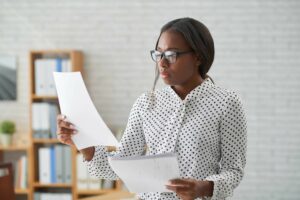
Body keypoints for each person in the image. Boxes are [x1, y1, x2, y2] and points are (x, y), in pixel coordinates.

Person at [56, 17, 247, 200]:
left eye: (171, 55)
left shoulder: (226, 103)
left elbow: (233, 171)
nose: (162, 63)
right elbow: (122, 164)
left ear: (197, 56)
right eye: (158, 54)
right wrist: (83, 145)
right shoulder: (145, 103)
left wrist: (203, 188)